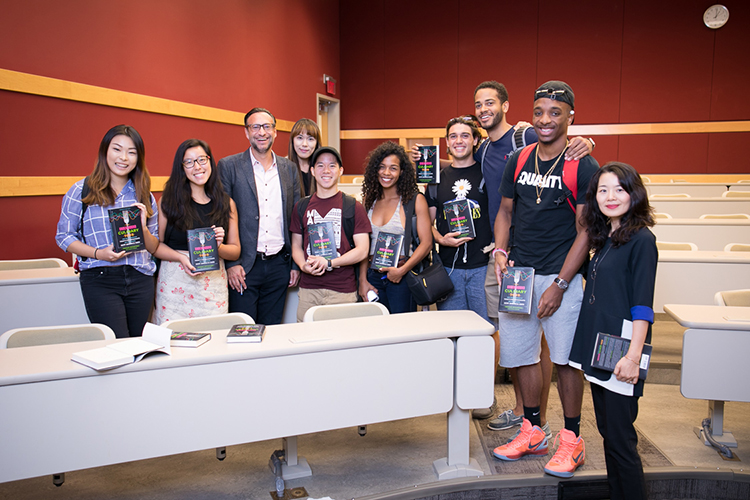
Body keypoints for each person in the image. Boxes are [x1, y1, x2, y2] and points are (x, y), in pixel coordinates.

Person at [491, 81, 599, 479]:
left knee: (567, 358)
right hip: (519, 274)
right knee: (520, 355)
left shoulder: (582, 165)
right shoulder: (518, 159)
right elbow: (505, 211)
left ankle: (572, 439)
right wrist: (501, 252)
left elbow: (586, 230)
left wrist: (562, 284)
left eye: (555, 112)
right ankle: (533, 430)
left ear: (571, 116)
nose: (545, 120)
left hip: (559, 275)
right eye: (539, 112)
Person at [568, 162, 657, 499]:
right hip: (603, 349)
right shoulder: (607, 237)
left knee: (621, 440)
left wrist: (633, 358)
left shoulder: (642, 240)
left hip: (624, 351)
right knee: (608, 432)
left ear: (633, 194)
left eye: (619, 189)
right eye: (603, 190)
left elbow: (642, 306)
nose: (610, 197)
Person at [56, 124, 159, 338]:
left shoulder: (145, 196)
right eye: (117, 149)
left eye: (132, 152)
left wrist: (143, 229)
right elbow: (64, 236)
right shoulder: (81, 190)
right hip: (100, 278)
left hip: (140, 277)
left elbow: (154, 245)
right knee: (116, 345)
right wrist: (98, 253)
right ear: (105, 151)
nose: (124, 157)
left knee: (141, 344)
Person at [218, 108, 301, 325]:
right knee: (241, 330)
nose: (261, 132)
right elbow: (222, 217)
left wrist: (294, 264)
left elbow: (296, 219)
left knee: (273, 330)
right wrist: (231, 263)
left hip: (279, 265)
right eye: (255, 127)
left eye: (266, 127)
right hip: (244, 266)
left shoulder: (289, 168)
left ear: (275, 132)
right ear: (247, 132)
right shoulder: (229, 166)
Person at [152, 139, 241, 324]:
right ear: (182, 167)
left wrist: (219, 247)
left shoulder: (226, 203)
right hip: (175, 285)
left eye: (202, 159)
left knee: (213, 341)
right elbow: (156, 246)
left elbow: (235, 250)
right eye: (189, 162)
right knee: (173, 342)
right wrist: (181, 258)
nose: (197, 167)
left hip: (212, 288)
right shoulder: (168, 202)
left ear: (210, 161)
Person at [424, 116, 493, 326]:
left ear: (474, 140)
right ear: (447, 142)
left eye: (465, 135)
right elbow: (427, 223)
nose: (458, 141)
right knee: (453, 330)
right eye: (453, 136)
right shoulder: (437, 180)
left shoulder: (488, 174)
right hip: (448, 269)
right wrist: (441, 240)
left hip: (483, 268)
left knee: (486, 329)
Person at [290, 146, 371, 321]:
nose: (326, 170)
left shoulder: (353, 206)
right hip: (308, 291)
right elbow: (296, 245)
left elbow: (363, 249)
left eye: (332, 166)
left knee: (340, 344)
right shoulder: (301, 206)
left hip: (342, 291)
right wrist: (303, 265)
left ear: (341, 170)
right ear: (312, 171)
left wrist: (330, 262)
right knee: (306, 342)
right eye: (320, 165)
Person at [358, 142, 433, 313]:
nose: (386, 173)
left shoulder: (414, 200)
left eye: (393, 168)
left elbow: (427, 243)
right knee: (376, 332)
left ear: (401, 172)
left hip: (402, 276)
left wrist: (402, 271)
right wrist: (363, 280)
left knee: (403, 331)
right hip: (372, 276)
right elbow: (362, 245)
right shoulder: (368, 201)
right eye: (382, 167)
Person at [288, 118, 322, 198]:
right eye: (300, 138)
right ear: (292, 141)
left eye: (310, 139)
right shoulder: (284, 169)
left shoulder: (322, 169)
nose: (305, 144)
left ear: (316, 143)